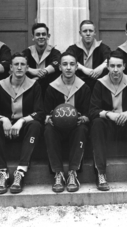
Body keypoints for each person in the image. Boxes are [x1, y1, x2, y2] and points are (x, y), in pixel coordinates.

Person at [0, 52, 44, 195]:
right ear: (10, 68)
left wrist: (22, 121)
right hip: (5, 128)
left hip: (23, 128)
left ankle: (21, 171)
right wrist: (4, 119)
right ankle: (2, 172)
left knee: (36, 125)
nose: (19, 67)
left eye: (22, 64)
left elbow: (40, 113)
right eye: (16, 64)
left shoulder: (34, 85)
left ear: (27, 67)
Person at [89, 50, 127, 191]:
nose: (115, 70)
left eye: (119, 66)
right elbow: (92, 111)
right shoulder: (100, 84)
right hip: (108, 127)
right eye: (112, 66)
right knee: (97, 123)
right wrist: (109, 114)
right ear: (108, 66)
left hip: (126, 127)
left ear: (124, 66)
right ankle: (101, 173)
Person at [44, 52, 91, 193]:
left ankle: (73, 172)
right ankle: (58, 173)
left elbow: (89, 111)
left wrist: (86, 118)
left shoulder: (84, 87)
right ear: (59, 67)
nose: (68, 68)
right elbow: (46, 111)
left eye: (72, 64)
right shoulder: (52, 87)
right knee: (48, 129)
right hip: (57, 128)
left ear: (77, 67)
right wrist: (48, 118)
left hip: (76, 127)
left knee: (82, 128)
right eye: (65, 64)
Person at [66, 20, 111, 91]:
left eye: (90, 31)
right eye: (85, 31)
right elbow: (67, 60)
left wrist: (101, 68)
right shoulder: (72, 48)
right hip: (77, 86)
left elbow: (110, 60)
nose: (88, 34)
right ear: (80, 33)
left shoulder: (103, 48)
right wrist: (83, 69)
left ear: (95, 32)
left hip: (99, 86)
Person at [22, 23, 61, 97]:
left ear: (48, 36)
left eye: (43, 34)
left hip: (50, 91)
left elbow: (57, 63)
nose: (41, 37)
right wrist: (30, 70)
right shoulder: (27, 52)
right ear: (32, 37)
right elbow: (16, 64)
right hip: (30, 91)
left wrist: (44, 72)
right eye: (38, 34)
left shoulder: (55, 52)